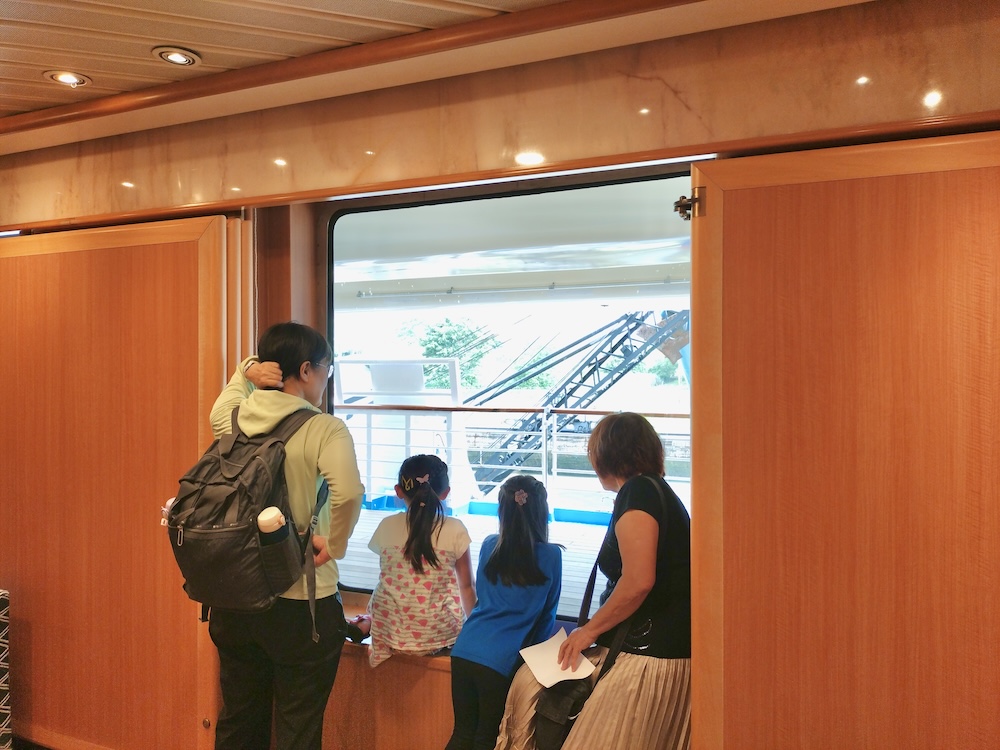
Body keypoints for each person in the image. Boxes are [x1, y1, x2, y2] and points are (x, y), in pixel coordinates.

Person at [207, 322, 365, 750]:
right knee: (298, 729)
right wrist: (334, 543)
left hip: (235, 597)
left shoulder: (231, 418)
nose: (327, 379)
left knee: (239, 720)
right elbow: (349, 493)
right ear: (307, 370)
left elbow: (233, 388)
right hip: (302, 604)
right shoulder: (325, 428)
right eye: (328, 369)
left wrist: (249, 369)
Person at [494, 412, 691, 750]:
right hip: (666, 649)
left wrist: (588, 631)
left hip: (649, 655)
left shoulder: (638, 491)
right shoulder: (656, 492)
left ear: (605, 455)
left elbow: (639, 580)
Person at [446, 475, 562, 750]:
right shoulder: (551, 556)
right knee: (486, 739)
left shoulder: (490, 545)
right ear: (542, 512)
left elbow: (482, 599)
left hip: (465, 649)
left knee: (462, 734)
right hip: (501, 662)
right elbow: (546, 618)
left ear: (502, 511)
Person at [350, 453, 477, 666]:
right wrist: (474, 630)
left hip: (390, 633)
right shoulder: (455, 529)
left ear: (398, 491)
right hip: (439, 635)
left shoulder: (387, 525)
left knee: (387, 590)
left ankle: (367, 623)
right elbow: (467, 586)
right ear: (445, 493)